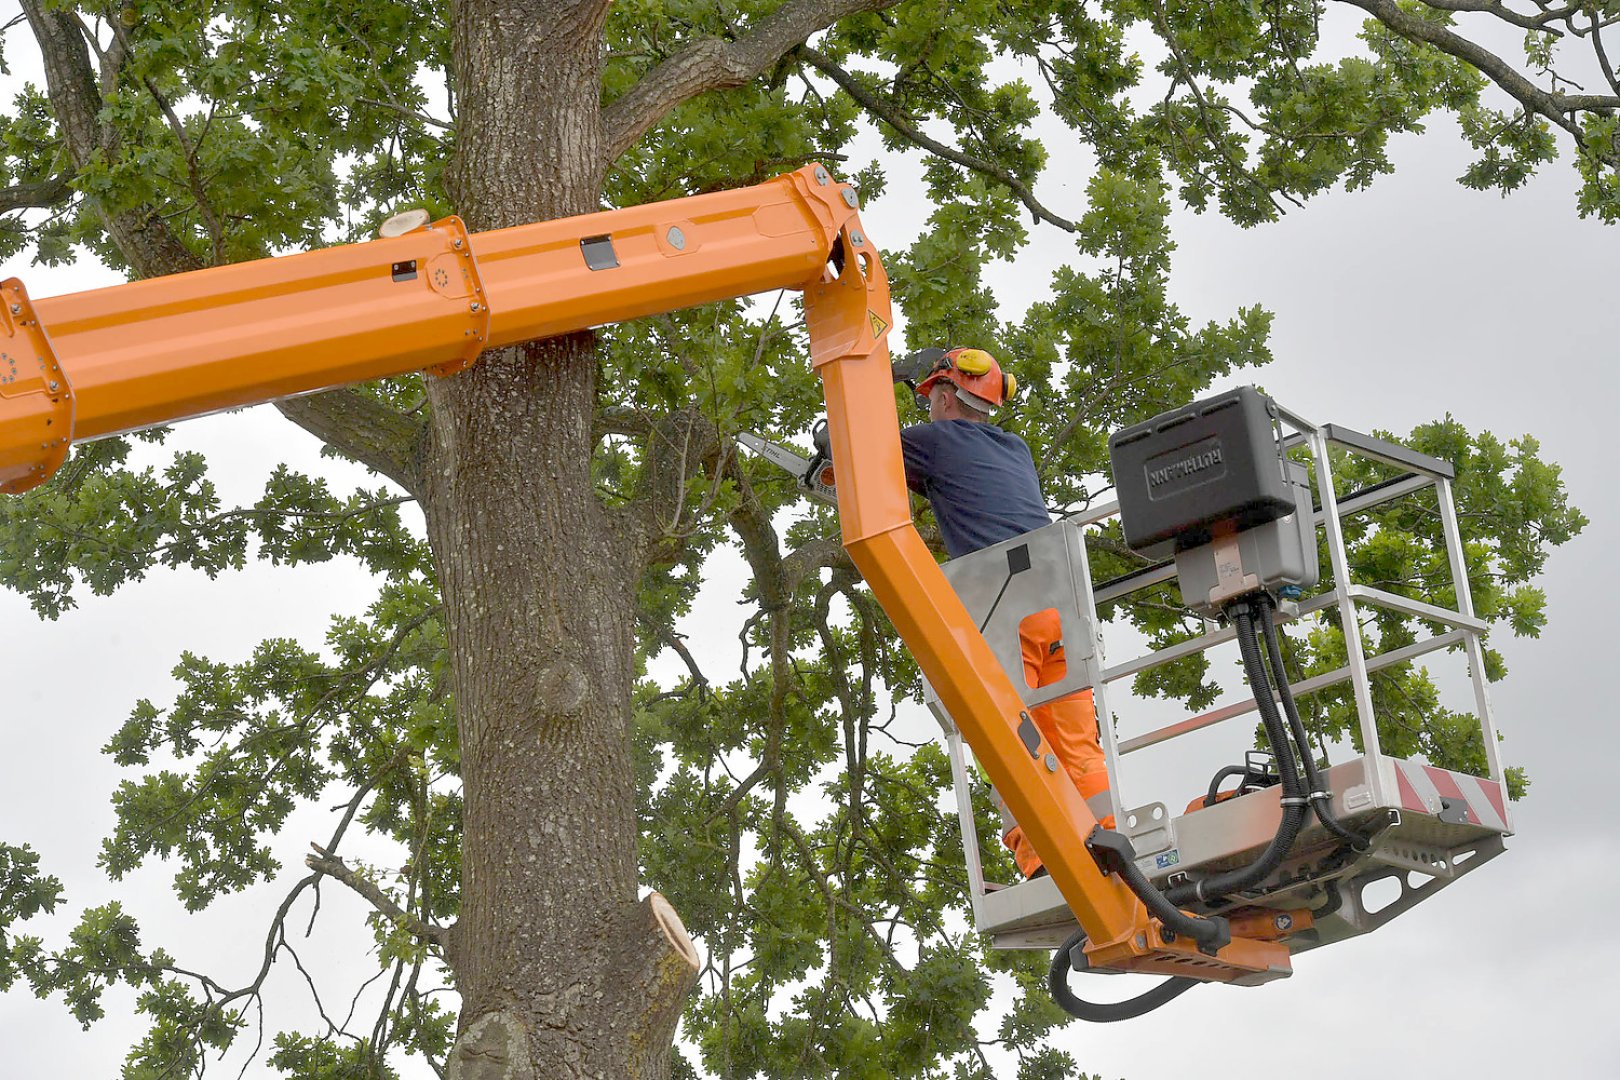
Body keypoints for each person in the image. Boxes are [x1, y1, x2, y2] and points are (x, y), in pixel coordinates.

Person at [897, 346, 1114, 880]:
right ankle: (1107, 837)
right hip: (1058, 610)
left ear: (945, 398)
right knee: (1077, 746)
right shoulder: (1015, 449)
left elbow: (847, 443)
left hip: (1004, 608)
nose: (927, 411)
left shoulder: (937, 442)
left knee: (1009, 736)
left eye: (929, 400)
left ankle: (1042, 861)